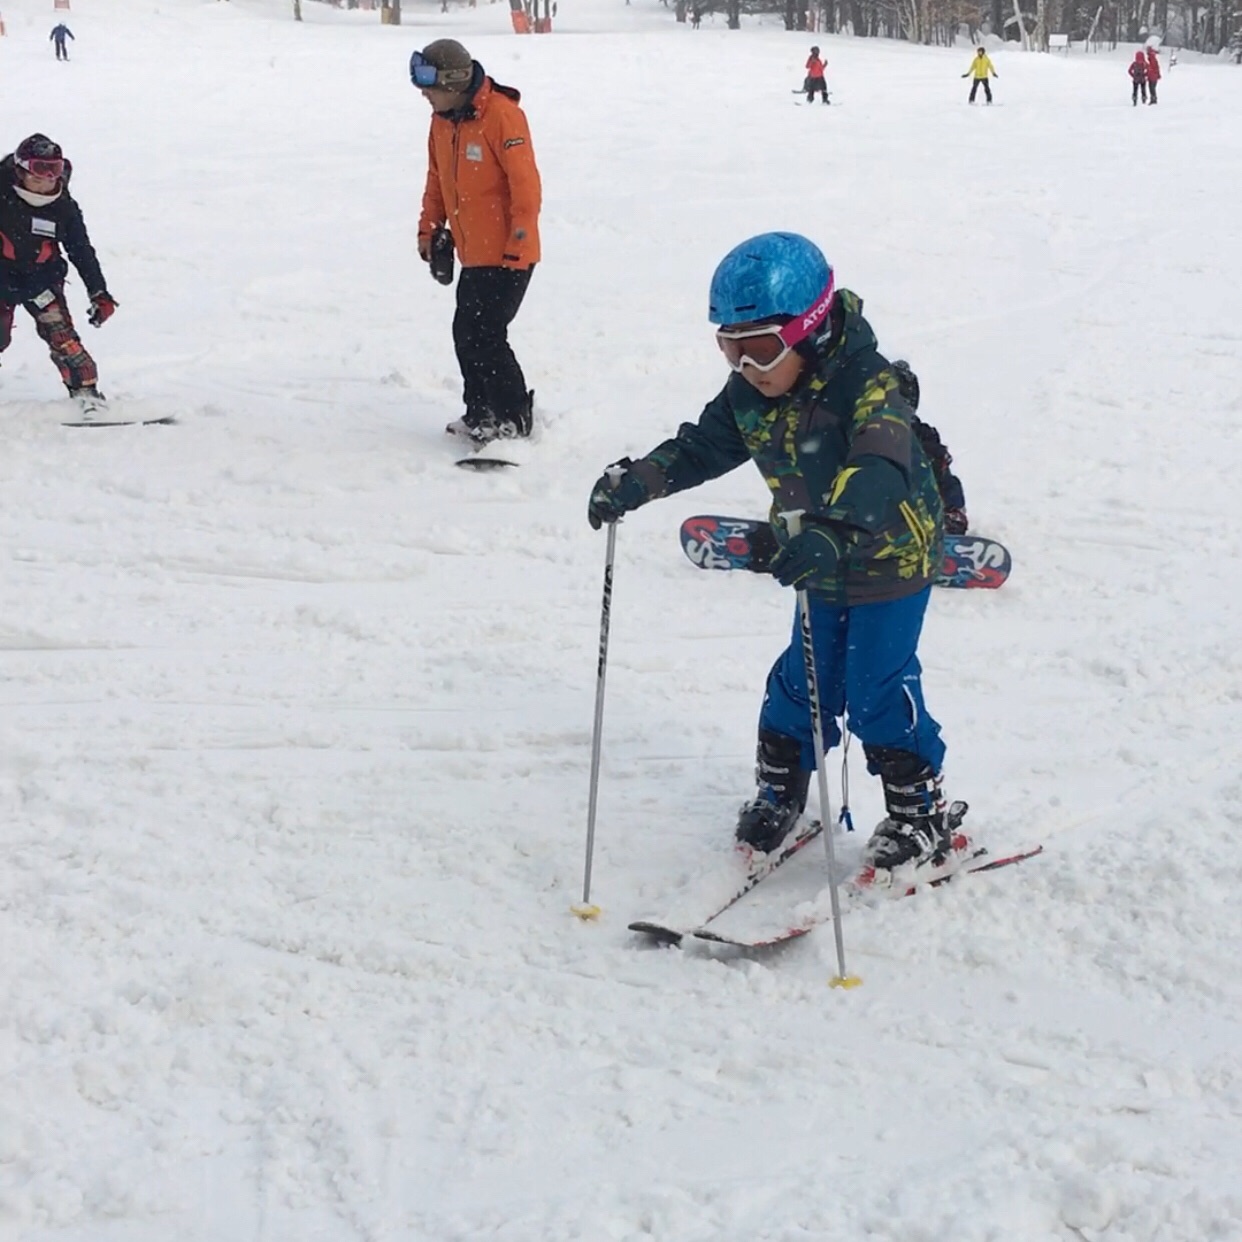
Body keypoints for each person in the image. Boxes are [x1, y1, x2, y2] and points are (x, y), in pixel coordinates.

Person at [587, 233, 953, 880]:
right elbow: (701, 447)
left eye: (759, 348)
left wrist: (836, 528)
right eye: (729, 346)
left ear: (809, 332)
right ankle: (781, 789)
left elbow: (880, 460)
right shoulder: (749, 395)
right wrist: (640, 480)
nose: (745, 366)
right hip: (816, 557)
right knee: (804, 682)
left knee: (875, 687)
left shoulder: (868, 385)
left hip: (887, 554)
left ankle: (917, 811)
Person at [412, 38, 542, 447]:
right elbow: (437, 181)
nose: (424, 94)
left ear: (453, 82)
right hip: (474, 252)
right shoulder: (442, 121)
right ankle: (480, 413)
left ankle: (512, 418)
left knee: (486, 334)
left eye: (429, 86)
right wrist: (428, 228)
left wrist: (518, 241)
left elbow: (526, 187)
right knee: (466, 333)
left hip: (508, 253)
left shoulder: (502, 117)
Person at [0, 135, 117, 406]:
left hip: (41, 281)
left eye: (54, 173)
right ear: (20, 170)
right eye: (39, 172)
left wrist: (98, 292)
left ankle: (86, 396)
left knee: (65, 341)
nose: (46, 181)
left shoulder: (64, 207)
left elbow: (81, 250)